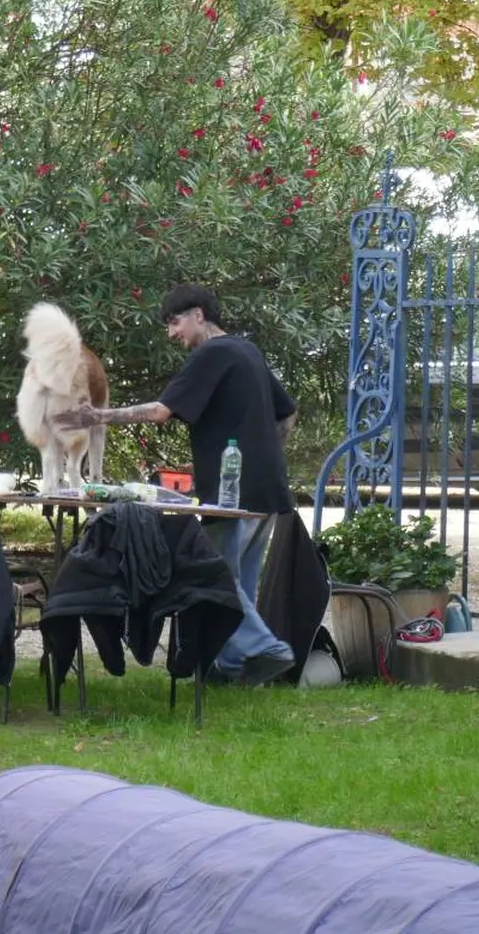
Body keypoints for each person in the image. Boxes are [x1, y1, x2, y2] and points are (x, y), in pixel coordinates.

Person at [55, 283, 298, 685]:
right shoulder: (247, 351)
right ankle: (231, 667)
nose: (172, 333)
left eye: (175, 322)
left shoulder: (213, 353)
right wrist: (265, 453)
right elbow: (287, 415)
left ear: (199, 315)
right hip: (269, 489)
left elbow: (160, 412)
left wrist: (92, 417)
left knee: (218, 579)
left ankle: (266, 648)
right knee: (241, 584)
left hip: (232, 494)